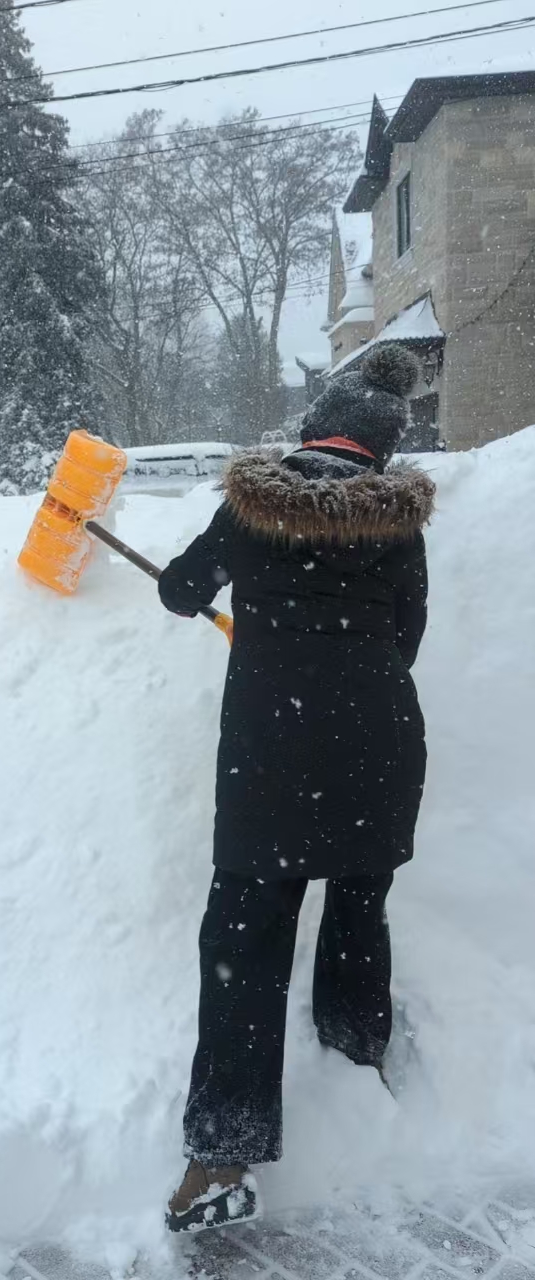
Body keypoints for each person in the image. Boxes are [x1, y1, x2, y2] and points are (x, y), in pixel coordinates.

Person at [158, 345, 435, 1235]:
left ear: (314, 426)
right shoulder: (398, 525)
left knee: (244, 934)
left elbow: (180, 590)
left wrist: (242, 608)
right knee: (361, 904)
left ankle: (223, 1158)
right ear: (381, 448)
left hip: (272, 761)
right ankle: (357, 1058)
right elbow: (406, 636)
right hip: (379, 751)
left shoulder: (251, 508)